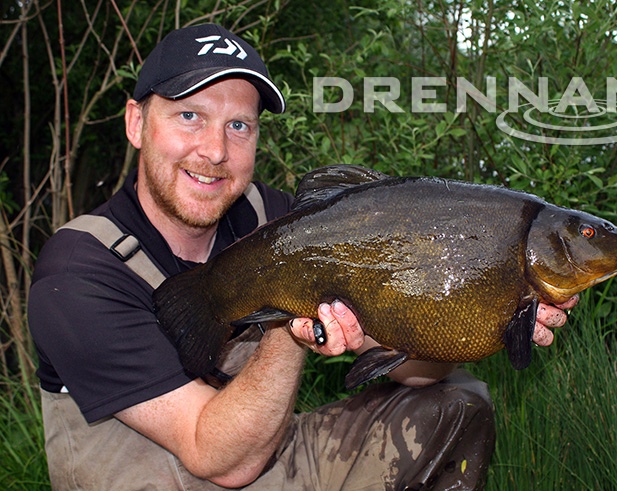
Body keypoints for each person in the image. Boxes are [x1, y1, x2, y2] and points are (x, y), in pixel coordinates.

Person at [28, 23, 577, 490]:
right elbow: (217, 457)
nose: (215, 150)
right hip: (187, 466)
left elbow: (413, 372)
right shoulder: (79, 271)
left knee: (457, 400)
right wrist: (291, 327)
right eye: (190, 117)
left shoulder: (279, 219)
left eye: (238, 125)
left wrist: (476, 316)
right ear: (136, 123)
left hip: (274, 460)